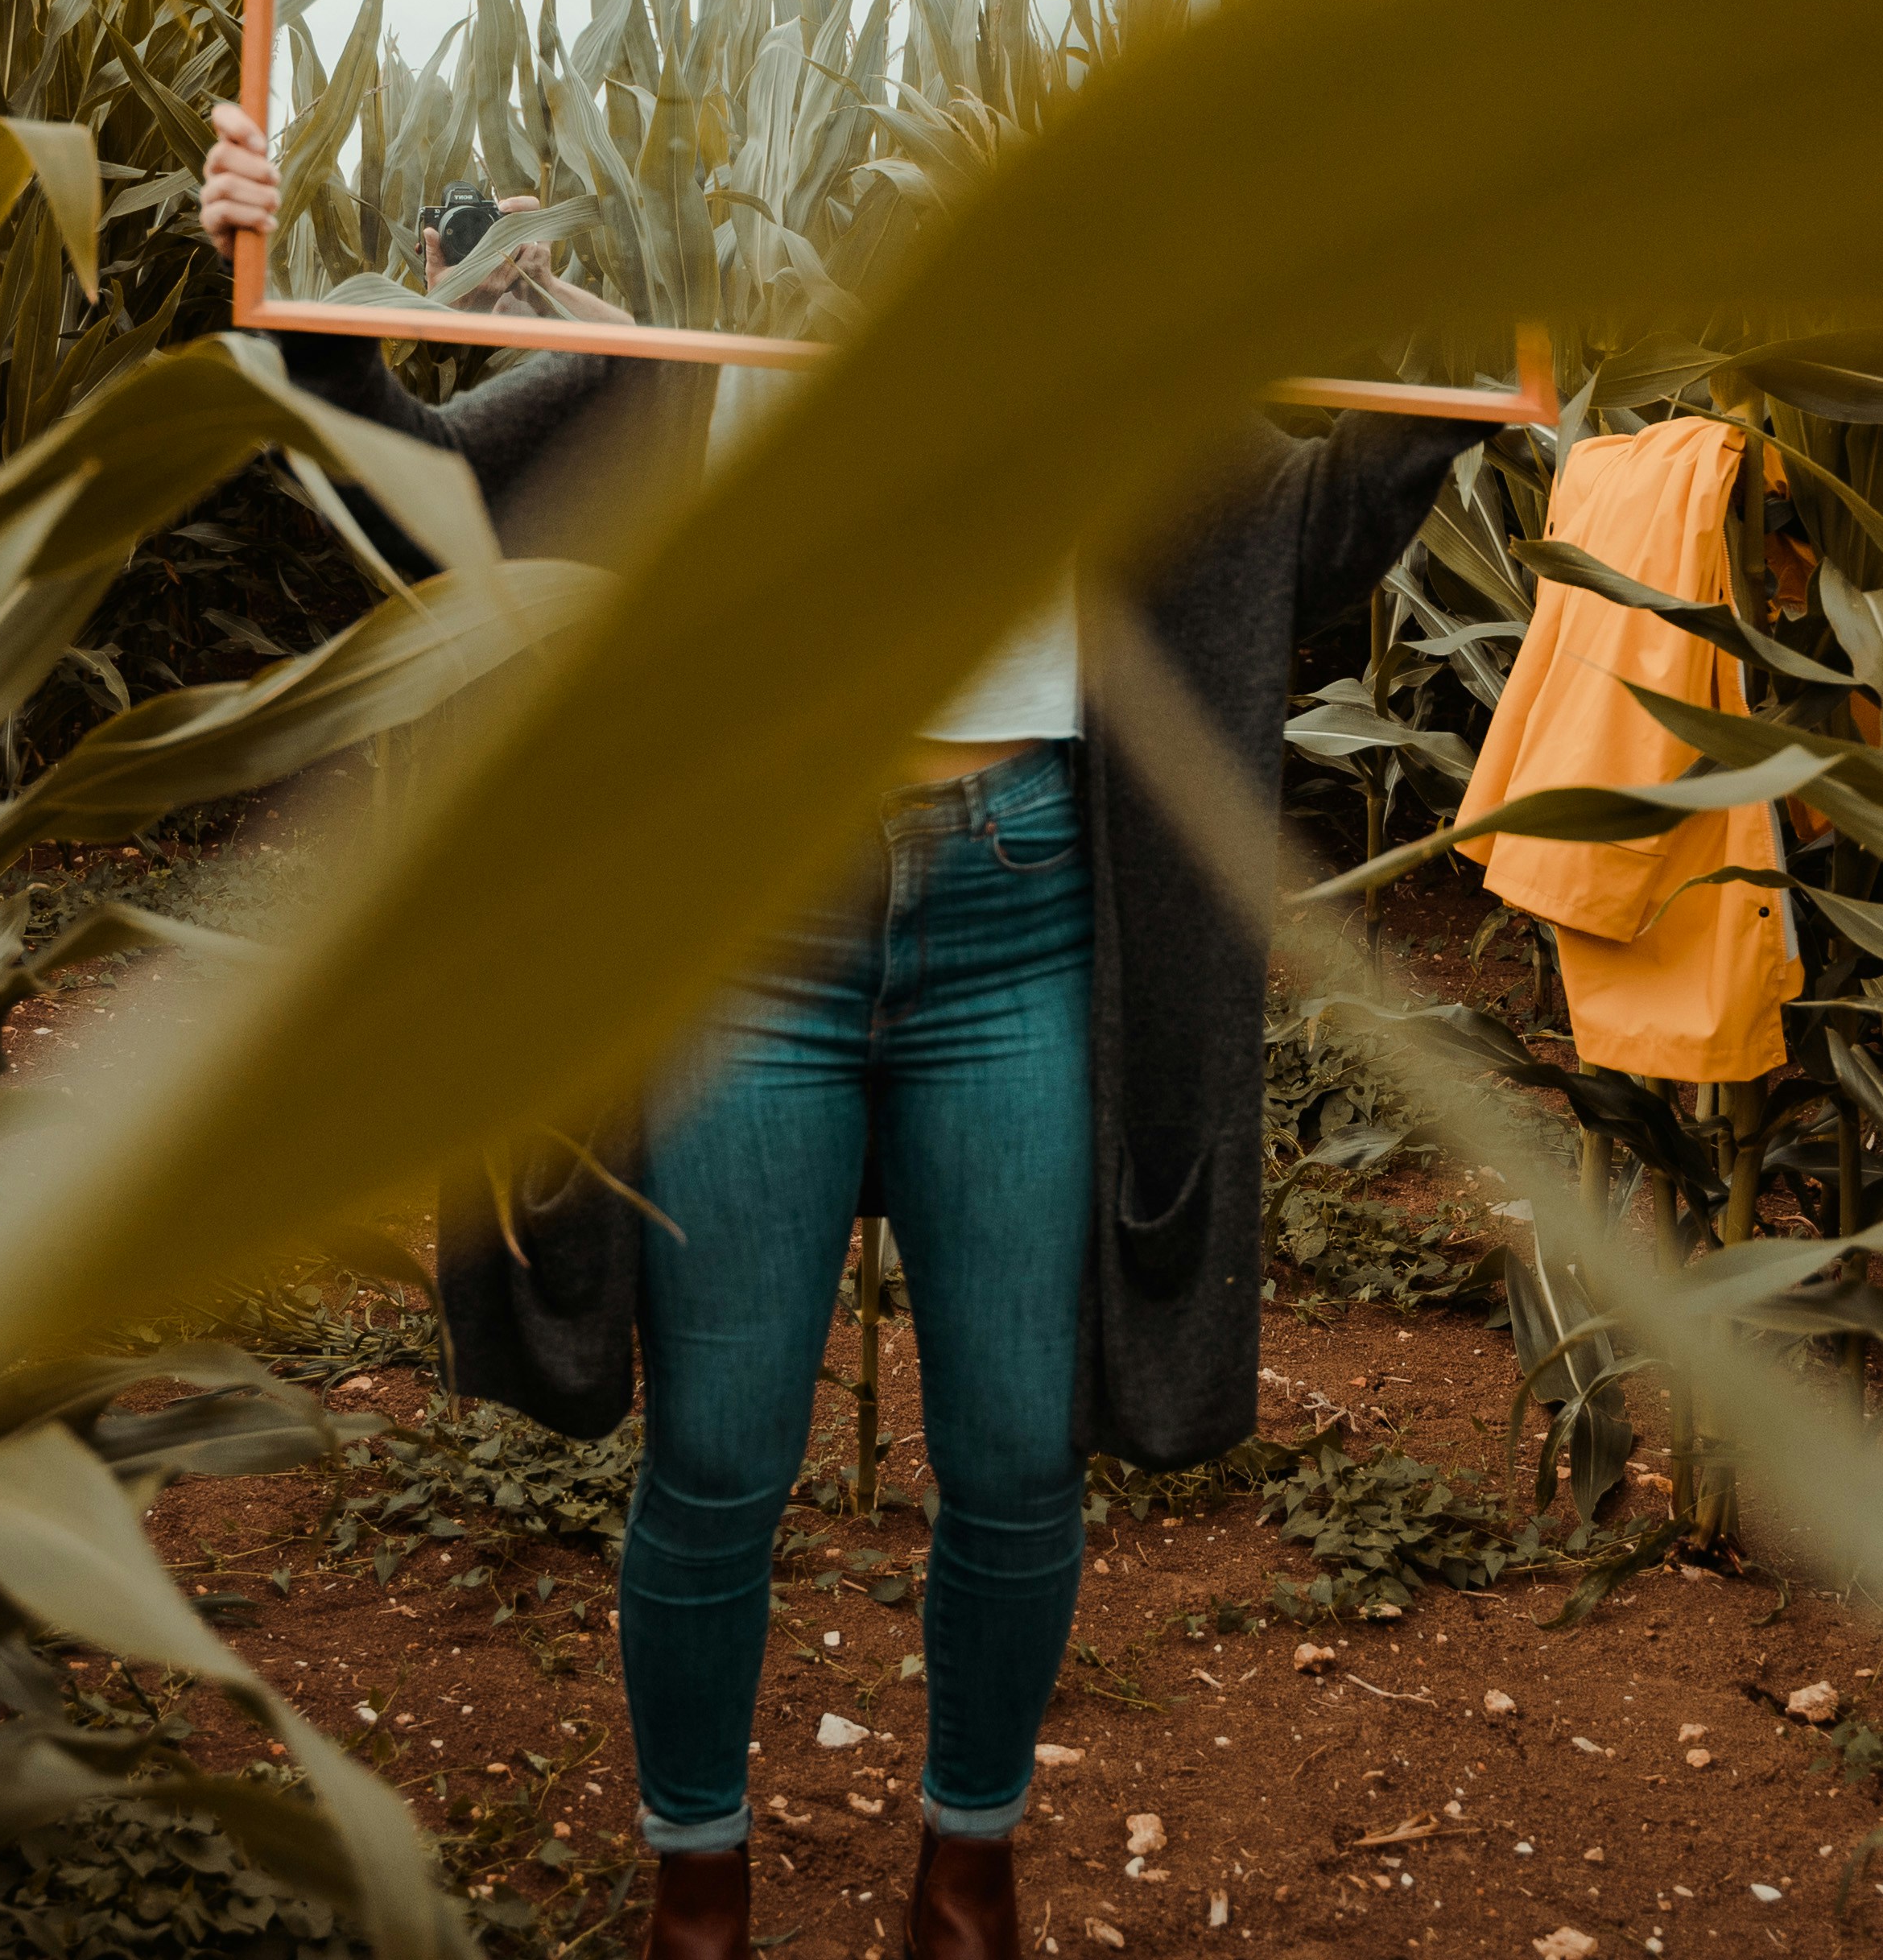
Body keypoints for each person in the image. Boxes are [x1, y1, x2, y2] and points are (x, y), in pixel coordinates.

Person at [200, 102, 1475, 1960]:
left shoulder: (1080, 333)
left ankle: (969, 1870)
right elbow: (437, 498)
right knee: (718, 1448)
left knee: (1018, 1453)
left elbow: (1317, 522)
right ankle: (696, 1883)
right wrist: (292, 280)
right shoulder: (688, 325)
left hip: (1021, 904)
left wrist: (1473, 301)